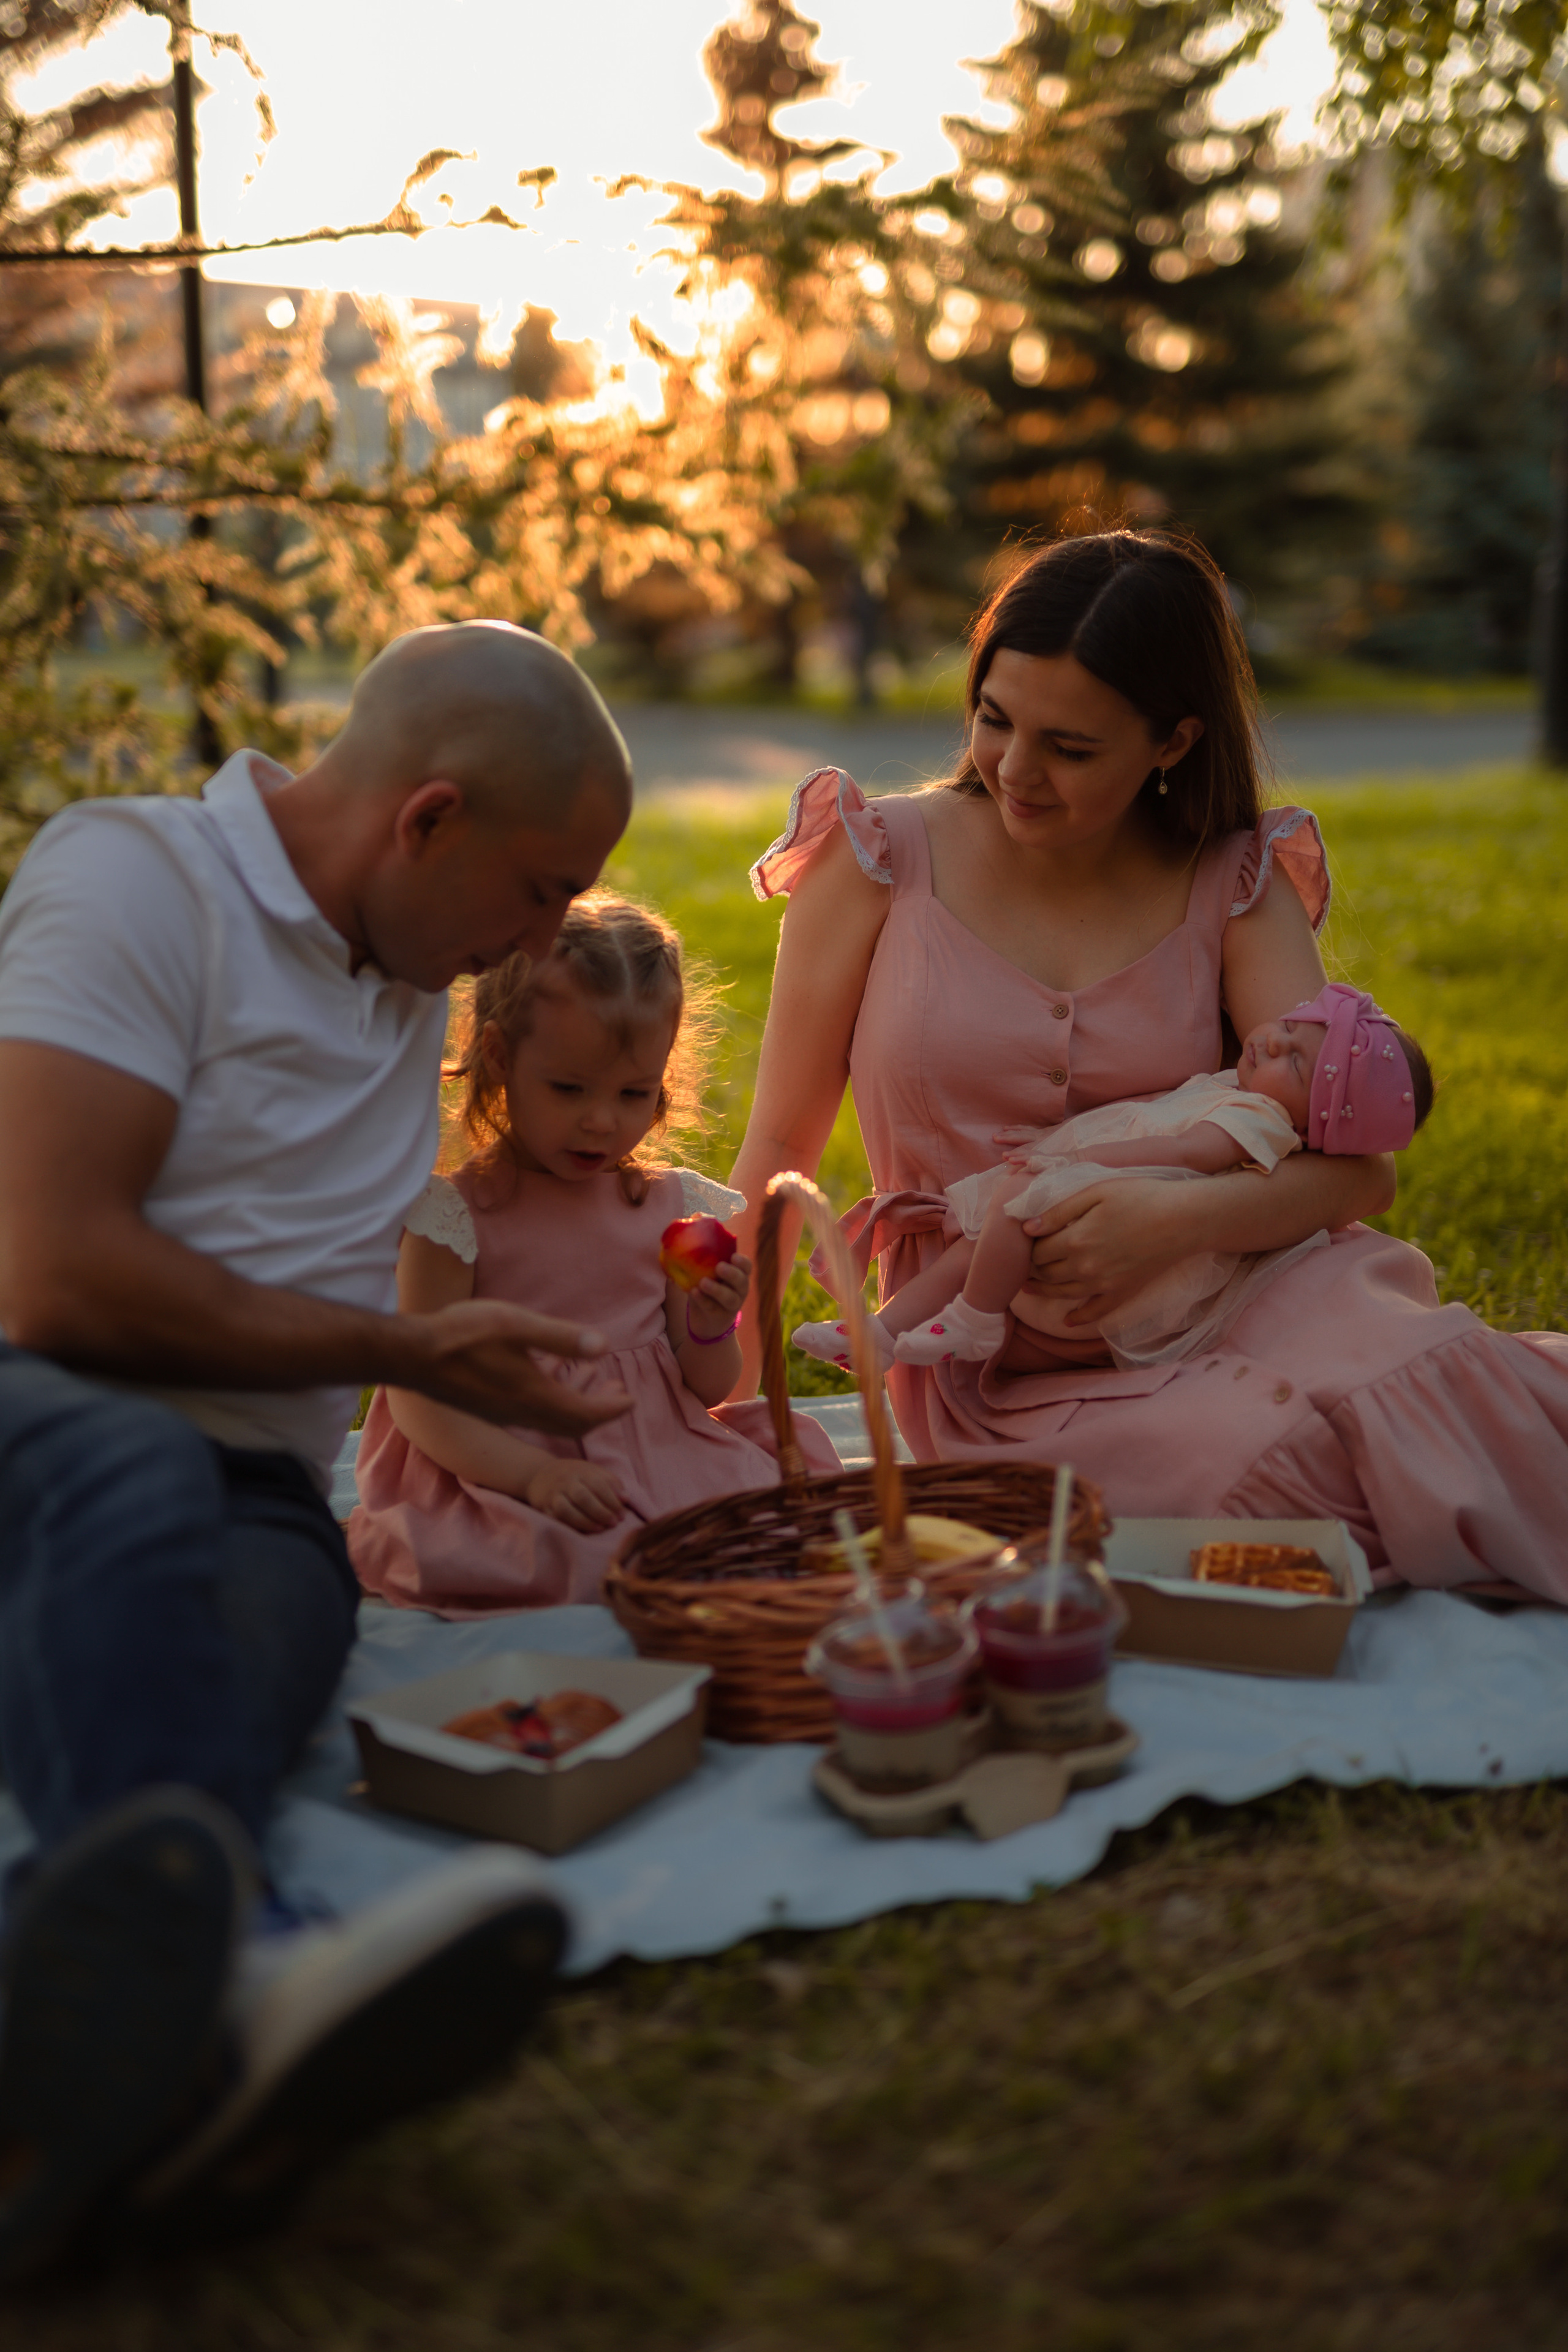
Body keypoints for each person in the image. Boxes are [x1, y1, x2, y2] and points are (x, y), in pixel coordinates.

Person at [0, 621, 635, 2275]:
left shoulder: (401, 966)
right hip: (38, 1413)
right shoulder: (137, 882)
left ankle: (115, 2093)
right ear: (423, 821)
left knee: (270, 1641)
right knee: (134, 1476)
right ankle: (264, 1965)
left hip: (260, 1492)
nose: (543, 938)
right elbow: (53, 1278)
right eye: (544, 887)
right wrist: (403, 1354)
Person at [729, 529, 1568, 1597]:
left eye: (1071, 748)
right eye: (995, 719)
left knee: (1431, 1381)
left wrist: (1173, 1221)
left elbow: (1361, 1171)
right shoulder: (876, 858)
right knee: (1257, 1467)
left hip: (1243, 1280)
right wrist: (726, 1402)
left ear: (1172, 742)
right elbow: (779, 1145)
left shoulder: (1235, 876)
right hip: (992, 1352)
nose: (1017, 771)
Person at [350, 895, 838, 1613]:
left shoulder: (669, 1210)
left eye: (632, 1093)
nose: (602, 1120)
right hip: (502, 1462)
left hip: (657, 1451)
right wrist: (531, 1478)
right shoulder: (456, 1217)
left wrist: (710, 1323)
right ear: (499, 1057)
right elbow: (420, 1399)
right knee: (560, 1560)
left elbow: (707, 1389)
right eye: (568, 1088)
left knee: (760, 1522)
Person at [792, 982, 1434, 1372]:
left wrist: (1073, 1161)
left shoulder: (1263, 1121)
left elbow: (1188, 1152)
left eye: (1295, 1063)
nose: (1271, 1043)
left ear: (1312, 1117)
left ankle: (976, 1319)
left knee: (1013, 1216)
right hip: (1106, 1175)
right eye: (1289, 1028)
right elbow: (1137, 1116)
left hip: (1126, 1194)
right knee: (979, 1240)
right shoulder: (1239, 1087)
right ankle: (880, 1330)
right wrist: (1056, 1141)